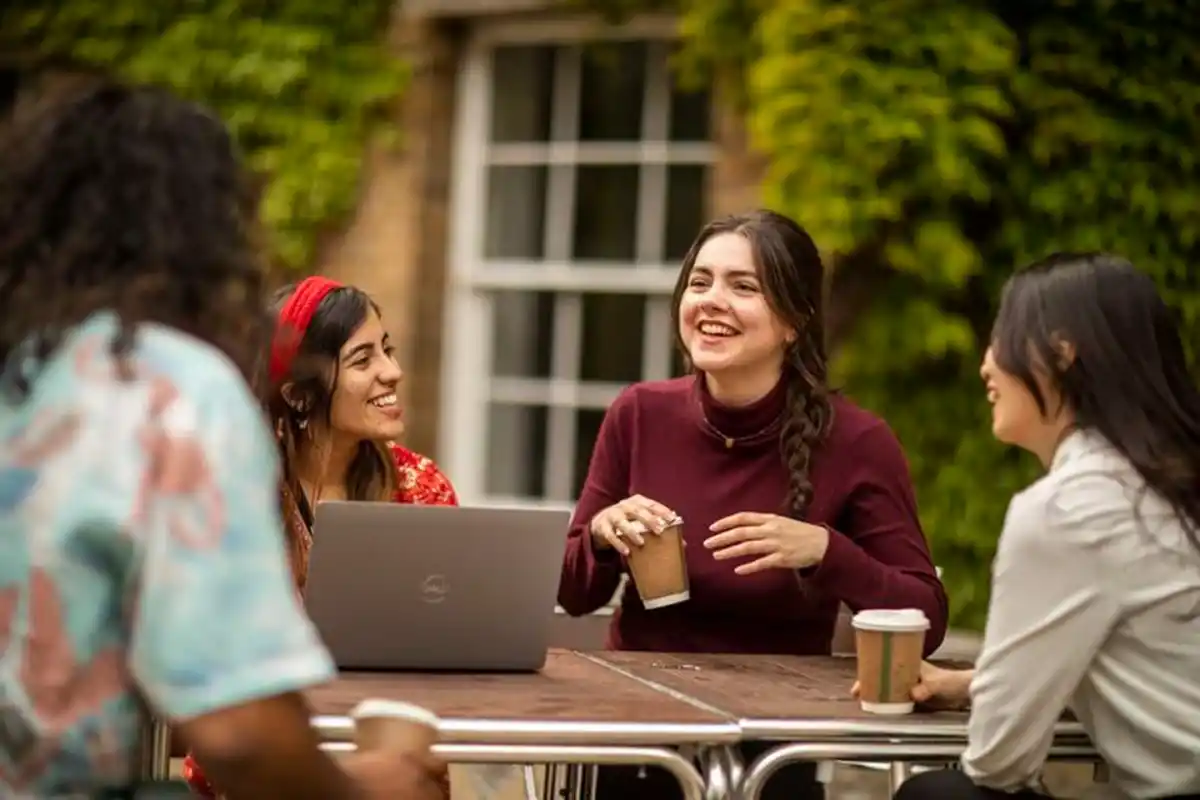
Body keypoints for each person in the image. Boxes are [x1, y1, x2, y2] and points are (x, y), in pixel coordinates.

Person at [0, 79, 445, 798]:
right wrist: (369, 785)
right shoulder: (170, 392)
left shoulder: (28, 370)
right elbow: (238, 731)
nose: (390, 373)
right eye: (364, 357)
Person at [558, 209, 949, 799]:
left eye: (743, 287)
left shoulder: (858, 441)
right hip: (635, 739)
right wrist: (598, 538)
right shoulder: (638, 414)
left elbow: (928, 616)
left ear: (794, 321)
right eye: (700, 281)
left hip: (775, 749)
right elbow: (572, 591)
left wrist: (825, 550)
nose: (712, 301)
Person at [889, 253, 1200, 799]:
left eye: (1002, 338)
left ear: (1061, 351)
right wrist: (975, 685)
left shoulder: (1070, 510)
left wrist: (993, 703)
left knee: (940, 796)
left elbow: (1000, 759)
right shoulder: (1172, 485)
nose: (986, 365)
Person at [182, 276, 458, 797]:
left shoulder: (423, 486)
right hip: (264, 769)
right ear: (299, 396)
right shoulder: (235, 497)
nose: (392, 372)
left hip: (391, 757)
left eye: (388, 350)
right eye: (362, 360)